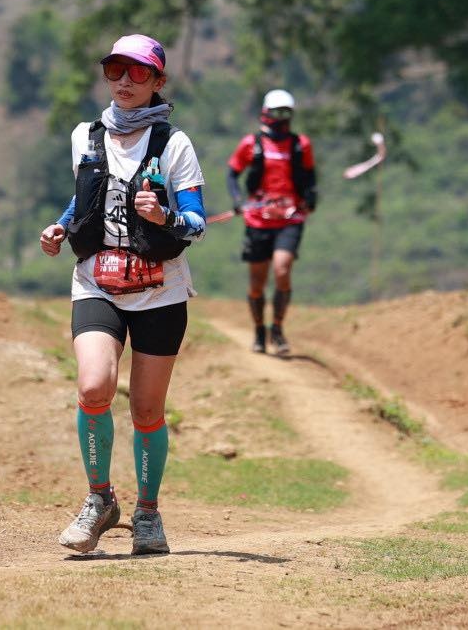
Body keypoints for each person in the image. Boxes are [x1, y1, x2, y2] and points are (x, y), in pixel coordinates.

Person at [39, 33, 206, 556]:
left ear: (158, 81)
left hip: (160, 288)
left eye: (138, 73)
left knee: (148, 410)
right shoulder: (85, 137)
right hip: (97, 280)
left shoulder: (174, 144)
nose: (124, 82)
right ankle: (99, 500)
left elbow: (197, 223)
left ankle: (148, 514)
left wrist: (168, 217)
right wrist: (61, 228)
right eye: (115, 70)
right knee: (93, 387)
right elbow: (84, 199)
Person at [227, 88, 316, 357]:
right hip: (258, 219)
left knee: (282, 269)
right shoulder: (250, 145)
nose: (282, 118)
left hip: (290, 218)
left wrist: (310, 199)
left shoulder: (301, 145)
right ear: (266, 113)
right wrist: (237, 200)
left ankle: (277, 327)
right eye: (277, 113)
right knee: (257, 281)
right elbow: (233, 174)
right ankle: (258, 331)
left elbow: (310, 177)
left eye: (286, 113)